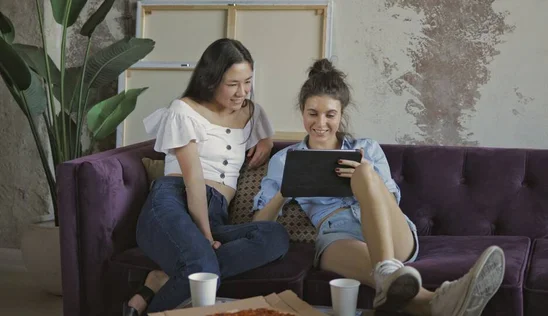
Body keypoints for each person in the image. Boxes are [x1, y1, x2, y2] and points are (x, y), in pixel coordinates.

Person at [251, 58, 505, 316]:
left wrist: (365, 176)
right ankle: (439, 300)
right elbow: (259, 223)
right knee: (390, 281)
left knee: (364, 172)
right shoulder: (285, 160)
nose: (321, 123)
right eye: (312, 114)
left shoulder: (367, 149)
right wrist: (284, 192)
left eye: (330, 114)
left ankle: (387, 269)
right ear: (302, 111)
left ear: (341, 114)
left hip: (390, 232)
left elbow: (390, 203)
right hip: (337, 236)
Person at [123, 38, 290, 316]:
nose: (242, 92)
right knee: (202, 269)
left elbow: (264, 134)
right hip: (173, 202)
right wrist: (205, 235)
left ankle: (162, 278)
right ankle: (177, 278)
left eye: (247, 82)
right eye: (233, 84)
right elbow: (193, 182)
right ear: (211, 80)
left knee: (275, 237)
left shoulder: (251, 111)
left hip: (215, 212)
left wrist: (267, 142)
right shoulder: (184, 110)